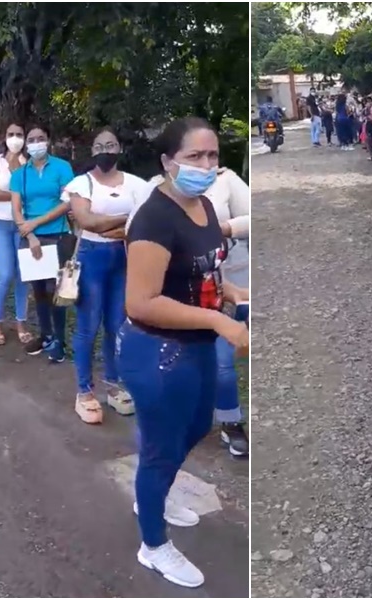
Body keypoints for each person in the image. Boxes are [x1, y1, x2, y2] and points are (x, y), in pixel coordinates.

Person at [119, 117, 248, 588]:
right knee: (159, 449)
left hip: (194, 346)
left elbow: (203, 273)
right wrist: (218, 321)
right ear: (167, 162)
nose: (207, 165)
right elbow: (142, 301)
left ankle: (157, 492)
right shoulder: (153, 219)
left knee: (195, 427)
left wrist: (231, 293)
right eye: (195, 157)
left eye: (212, 156)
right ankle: (152, 544)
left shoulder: (205, 207)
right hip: (157, 353)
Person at [65, 128, 145, 424]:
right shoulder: (81, 184)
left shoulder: (137, 185)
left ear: (119, 148)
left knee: (116, 325)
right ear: (92, 150)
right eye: (99, 145)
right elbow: (87, 222)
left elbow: (143, 223)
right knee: (88, 326)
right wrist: (127, 219)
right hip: (91, 257)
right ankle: (84, 392)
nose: (105, 150)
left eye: (111, 144)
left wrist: (109, 225)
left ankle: (114, 384)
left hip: (123, 258)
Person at [10, 124, 76, 363]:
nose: (36, 143)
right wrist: (30, 235)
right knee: (38, 291)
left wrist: (36, 222)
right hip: (31, 238)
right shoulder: (20, 174)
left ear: (48, 141)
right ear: (26, 145)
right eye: (32, 139)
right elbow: (16, 209)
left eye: (40, 138)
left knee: (57, 290)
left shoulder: (62, 167)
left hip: (58, 235)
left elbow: (67, 202)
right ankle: (45, 334)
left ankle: (60, 339)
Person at [0, 122, 31, 346]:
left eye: (19, 134)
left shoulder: (29, 163)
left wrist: (13, 190)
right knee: (5, 274)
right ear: (4, 137)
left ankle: (21, 322)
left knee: (23, 276)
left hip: (23, 227)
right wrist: (16, 194)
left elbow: (34, 193)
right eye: (11, 134)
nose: (15, 138)